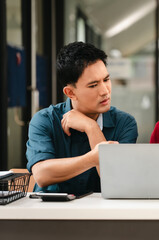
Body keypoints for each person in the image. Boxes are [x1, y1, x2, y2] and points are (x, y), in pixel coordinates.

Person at [26, 42, 138, 193]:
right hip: (51, 213)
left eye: (106, 79)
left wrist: (91, 127)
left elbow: (114, 180)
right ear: (70, 93)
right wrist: (93, 158)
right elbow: (42, 174)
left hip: (102, 214)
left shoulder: (125, 123)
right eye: (93, 85)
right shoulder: (45, 120)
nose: (105, 91)